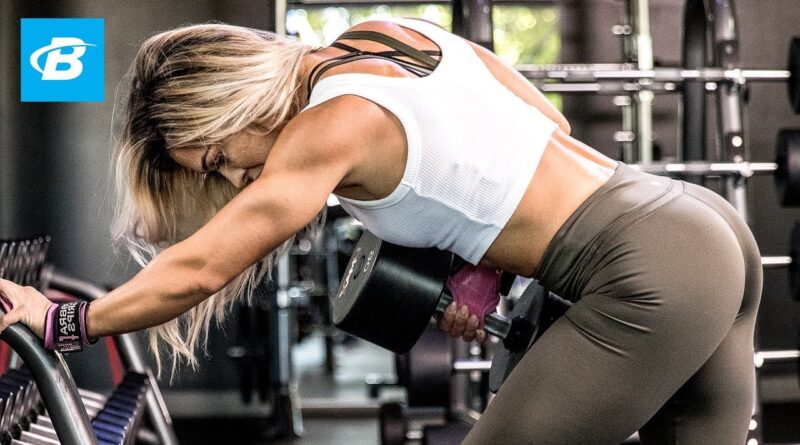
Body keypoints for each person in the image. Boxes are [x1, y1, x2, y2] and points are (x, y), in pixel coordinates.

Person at [0, 18, 761, 444]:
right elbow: (543, 124)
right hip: (694, 220)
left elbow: (202, 267)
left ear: (229, 103)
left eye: (219, 158)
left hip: (642, 264)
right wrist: (480, 267)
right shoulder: (386, 36)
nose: (232, 181)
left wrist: (64, 321)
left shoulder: (327, 127)